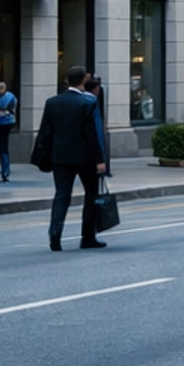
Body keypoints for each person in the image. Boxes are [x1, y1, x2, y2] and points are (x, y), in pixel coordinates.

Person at [34, 67, 106, 251]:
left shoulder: (53, 102)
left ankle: (55, 236)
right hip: (85, 158)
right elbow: (92, 135)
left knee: (61, 195)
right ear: (83, 80)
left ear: (67, 80)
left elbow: (45, 132)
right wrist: (100, 159)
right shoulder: (88, 102)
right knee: (91, 195)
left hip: (61, 157)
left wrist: (42, 155)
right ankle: (88, 236)